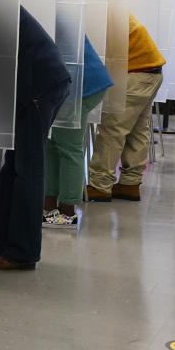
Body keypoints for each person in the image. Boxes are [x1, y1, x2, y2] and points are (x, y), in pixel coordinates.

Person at [0, 7, 70, 270]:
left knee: (27, 169)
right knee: (15, 164)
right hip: (41, 80)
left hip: (38, 84)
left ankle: (22, 252)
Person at [86, 13, 165, 202]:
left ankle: (99, 186)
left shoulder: (101, 11)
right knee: (137, 130)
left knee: (112, 129)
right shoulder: (115, 8)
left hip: (136, 73)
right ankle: (130, 184)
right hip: (151, 72)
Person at [43, 36, 113, 229]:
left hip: (79, 84)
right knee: (51, 144)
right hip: (72, 79)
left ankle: (67, 211)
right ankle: (48, 207)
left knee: (68, 146)